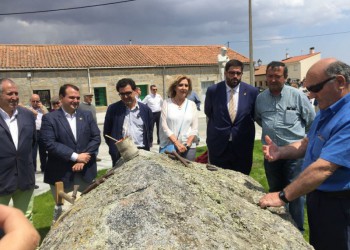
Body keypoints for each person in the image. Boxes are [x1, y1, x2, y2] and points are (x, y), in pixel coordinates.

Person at [259, 58, 350, 250]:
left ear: (340, 82)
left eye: (315, 87)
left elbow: (324, 167)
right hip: (319, 196)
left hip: (340, 204)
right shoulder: (327, 109)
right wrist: (281, 151)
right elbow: (307, 142)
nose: (310, 94)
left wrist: (283, 196)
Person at [255, 61, 316, 232]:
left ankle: (297, 231)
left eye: (277, 76)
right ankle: (279, 231)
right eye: (270, 76)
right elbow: (259, 119)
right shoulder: (260, 99)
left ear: (285, 78)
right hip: (271, 154)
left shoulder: (297, 96)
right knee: (274, 190)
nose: (273, 80)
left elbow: (311, 122)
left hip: (294, 155)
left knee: (295, 195)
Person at [40, 84, 101, 199]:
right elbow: (49, 144)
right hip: (62, 175)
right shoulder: (50, 118)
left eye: (77, 98)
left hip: (86, 173)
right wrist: (75, 157)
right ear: (61, 98)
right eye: (71, 97)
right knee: (66, 213)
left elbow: (96, 137)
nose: (75, 100)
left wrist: (83, 158)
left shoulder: (87, 116)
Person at [205, 59, 259, 175]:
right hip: (218, 145)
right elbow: (208, 112)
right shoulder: (213, 91)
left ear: (241, 74)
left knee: (242, 180)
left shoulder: (252, 92)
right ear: (225, 73)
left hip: (242, 145)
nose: (235, 76)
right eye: (232, 73)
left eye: (238, 73)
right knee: (218, 180)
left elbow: (254, 115)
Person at [0, 78, 36, 221]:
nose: (14, 97)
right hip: (1, 179)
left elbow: (32, 143)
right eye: (10, 94)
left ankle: (28, 244)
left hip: (25, 177)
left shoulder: (27, 115)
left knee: (25, 218)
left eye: (16, 93)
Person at [103, 78, 153, 166]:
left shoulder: (146, 110)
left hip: (141, 152)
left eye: (128, 93)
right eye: (122, 94)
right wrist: (114, 148)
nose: (125, 96)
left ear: (135, 91)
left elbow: (150, 130)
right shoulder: (113, 109)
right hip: (121, 154)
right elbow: (107, 133)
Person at [159, 75, 198, 161]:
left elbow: (194, 128)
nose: (184, 88)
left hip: (188, 148)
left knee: (189, 173)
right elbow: (164, 126)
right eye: (180, 85)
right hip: (169, 146)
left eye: (186, 85)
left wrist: (187, 144)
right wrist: (176, 143)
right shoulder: (166, 103)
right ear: (174, 87)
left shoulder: (192, 105)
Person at [28, 94, 48, 173]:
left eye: (37, 101)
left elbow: (48, 117)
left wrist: (43, 110)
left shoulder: (43, 108)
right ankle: (33, 169)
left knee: (43, 152)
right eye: (34, 101)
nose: (36, 103)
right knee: (33, 152)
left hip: (42, 131)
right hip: (33, 132)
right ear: (30, 101)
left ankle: (44, 168)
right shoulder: (28, 109)